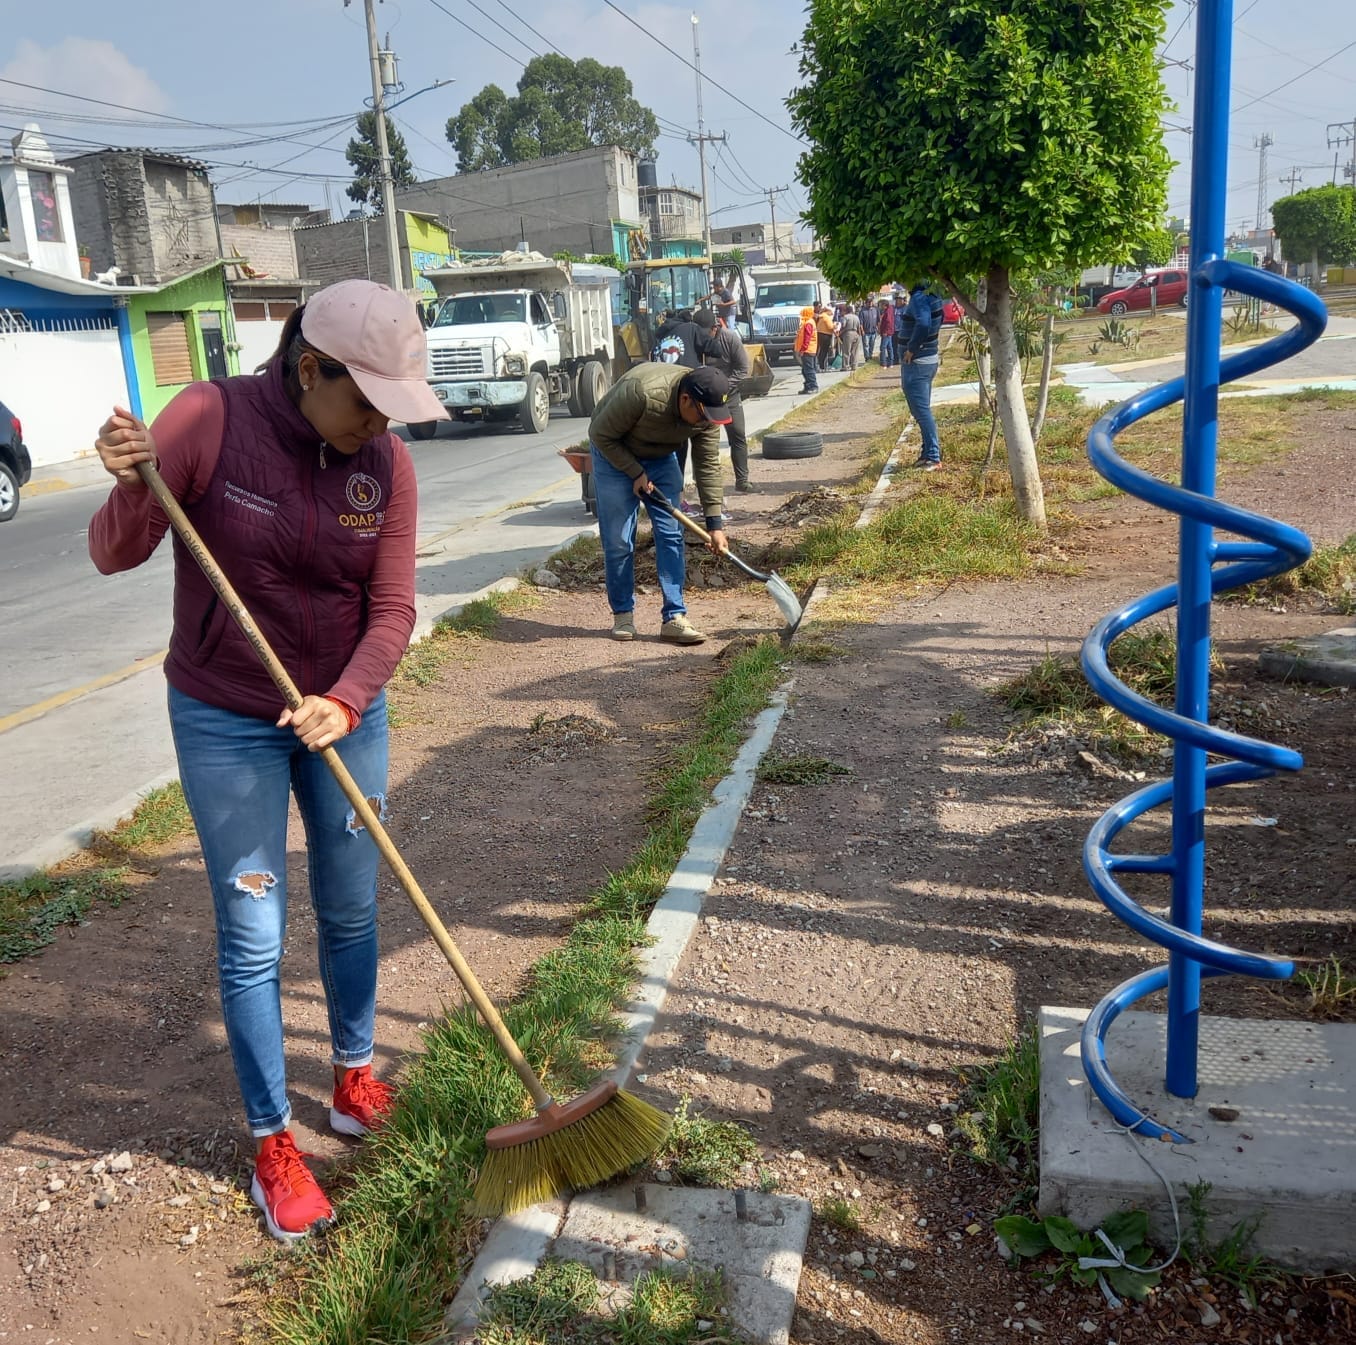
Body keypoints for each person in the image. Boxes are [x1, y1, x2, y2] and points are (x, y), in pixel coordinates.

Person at [86, 280, 447, 1243]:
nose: (377, 422)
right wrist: (131, 484)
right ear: (307, 367)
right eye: (364, 398)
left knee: (351, 903)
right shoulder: (210, 416)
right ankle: (271, 1142)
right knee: (254, 928)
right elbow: (113, 554)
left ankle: (354, 1078)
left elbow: (395, 610)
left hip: (342, 713)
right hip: (225, 716)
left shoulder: (388, 465)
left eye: (391, 405)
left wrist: (346, 699)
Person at [589, 364, 732, 645]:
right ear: (685, 400)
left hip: (661, 456)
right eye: (701, 415)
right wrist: (635, 472)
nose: (705, 422)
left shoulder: (706, 415)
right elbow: (600, 434)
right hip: (614, 451)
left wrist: (715, 524)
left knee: (670, 534)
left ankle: (674, 617)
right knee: (619, 540)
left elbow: (707, 466)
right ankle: (623, 614)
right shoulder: (642, 393)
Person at [695, 308, 752, 492]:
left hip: (730, 395)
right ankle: (704, 485)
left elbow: (743, 369)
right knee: (704, 442)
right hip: (704, 399)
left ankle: (742, 480)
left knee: (738, 435)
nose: (703, 336)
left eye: (706, 332)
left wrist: (722, 385)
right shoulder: (696, 341)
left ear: (715, 327)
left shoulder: (730, 339)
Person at [897, 280, 945, 470]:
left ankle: (933, 456)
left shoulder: (918, 297)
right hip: (928, 359)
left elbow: (924, 324)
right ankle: (927, 454)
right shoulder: (934, 295)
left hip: (917, 362)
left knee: (921, 412)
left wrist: (912, 348)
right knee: (921, 410)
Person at [795, 305, 819, 394]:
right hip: (810, 349)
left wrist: (802, 350)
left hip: (808, 350)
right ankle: (807, 387)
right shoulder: (809, 322)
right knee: (805, 370)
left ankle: (813, 386)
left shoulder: (808, 323)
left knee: (809, 370)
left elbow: (807, 338)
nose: (801, 315)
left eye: (803, 313)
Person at [839, 304, 863, 370]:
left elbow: (843, 325)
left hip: (848, 333)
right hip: (856, 333)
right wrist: (859, 335)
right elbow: (859, 327)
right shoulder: (856, 317)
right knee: (855, 351)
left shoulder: (845, 317)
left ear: (846, 311)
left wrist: (840, 332)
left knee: (846, 351)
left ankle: (846, 366)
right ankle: (854, 366)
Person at [815, 303, 838, 371]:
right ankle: (822, 366)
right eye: (831, 311)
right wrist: (835, 325)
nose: (832, 313)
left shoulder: (821, 317)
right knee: (824, 351)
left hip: (821, 334)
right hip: (826, 335)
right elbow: (830, 327)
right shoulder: (826, 317)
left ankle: (821, 365)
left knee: (822, 351)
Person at [877, 297, 895, 368]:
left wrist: (885, 332)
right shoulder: (890, 309)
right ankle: (891, 363)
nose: (880, 307)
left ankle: (884, 363)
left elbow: (888, 322)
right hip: (889, 332)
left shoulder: (887, 311)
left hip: (886, 332)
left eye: (881, 305)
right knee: (890, 347)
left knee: (883, 347)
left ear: (885, 305)